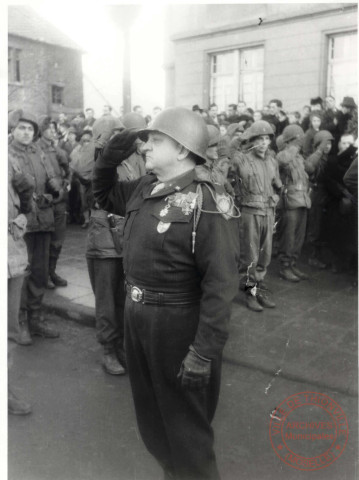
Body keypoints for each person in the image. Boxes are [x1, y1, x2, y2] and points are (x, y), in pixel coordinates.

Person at [92, 107, 240, 480]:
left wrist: (203, 352)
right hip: (138, 319)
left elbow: (221, 285)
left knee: (187, 433)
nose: (145, 147)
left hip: (177, 326)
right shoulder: (146, 187)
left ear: (182, 149)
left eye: (155, 140)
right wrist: (117, 145)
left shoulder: (207, 200)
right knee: (153, 421)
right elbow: (101, 190)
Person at [8, 110, 60, 345]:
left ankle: (36, 320)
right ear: (12, 129)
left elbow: (53, 181)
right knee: (20, 275)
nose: (26, 132)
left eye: (30, 129)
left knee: (39, 273)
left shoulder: (40, 153)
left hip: (44, 221)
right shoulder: (7, 155)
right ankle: (18, 325)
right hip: (19, 226)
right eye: (21, 128)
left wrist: (53, 193)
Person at [231, 120, 282, 312]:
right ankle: (249, 293)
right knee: (249, 257)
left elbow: (277, 183)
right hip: (249, 213)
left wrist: (278, 194)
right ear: (252, 141)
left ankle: (258, 288)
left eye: (267, 139)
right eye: (259, 139)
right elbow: (229, 169)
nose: (264, 143)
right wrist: (241, 139)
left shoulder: (272, 160)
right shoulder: (241, 159)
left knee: (265, 256)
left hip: (268, 213)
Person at [8, 139, 35, 414]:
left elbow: (26, 194)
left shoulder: (10, 161)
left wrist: (23, 215)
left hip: (11, 254)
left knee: (8, 330)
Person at [37, 116, 70, 288]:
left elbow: (68, 171)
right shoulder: (35, 150)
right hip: (43, 202)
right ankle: (44, 275)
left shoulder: (58, 151)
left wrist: (66, 183)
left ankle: (52, 272)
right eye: (49, 128)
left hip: (59, 200)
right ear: (41, 130)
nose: (53, 131)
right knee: (44, 241)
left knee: (57, 240)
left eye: (54, 129)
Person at [276, 125, 311, 282]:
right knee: (288, 236)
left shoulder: (298, 157)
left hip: (302, 200)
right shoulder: (283, 154)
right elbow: (282, 161)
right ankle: (285, 266)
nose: (302, 141)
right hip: (289, 201)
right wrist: (293, 147)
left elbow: (309, 171)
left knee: (299, 236)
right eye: (300, 138)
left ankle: (292, 264)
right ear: (293, 139)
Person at [304, 130, 334, 269]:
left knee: (320, 225)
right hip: (316, 193)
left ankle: (317, 254)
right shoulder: (315, 157)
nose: (327, 146)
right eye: (324, 143)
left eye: (329, 143)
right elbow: (309, 168)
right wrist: (319, 151)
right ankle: (312, 257)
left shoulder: (328, 158)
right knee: (314, 225)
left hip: (324, 193)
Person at [70, 131, 95, 228]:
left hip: (93, 179)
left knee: (93, 200)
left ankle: (93, 220)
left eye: (88, 140)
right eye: (83, 141)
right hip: (81, 180)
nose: (86, 142)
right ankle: (87, 220)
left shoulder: (96, 150)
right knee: (84, 200)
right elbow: (72, 164)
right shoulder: (77, 150)